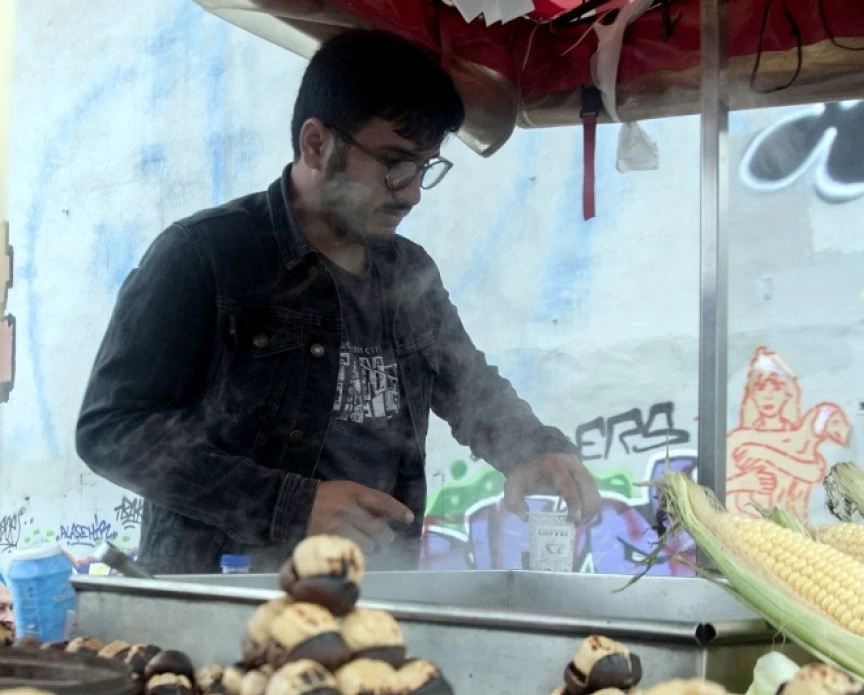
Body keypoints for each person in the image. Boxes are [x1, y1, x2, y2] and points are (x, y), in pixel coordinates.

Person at [76, 30, 600, 575]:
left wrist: (534, 450)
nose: (412, 191)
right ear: (316, 144)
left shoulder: (409, 271)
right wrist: (290, 505)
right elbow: (111, 431)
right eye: (395, 163)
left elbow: (469, 385)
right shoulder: (204, 255)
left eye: (425, 167)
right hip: (231, 598)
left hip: (376, 591)